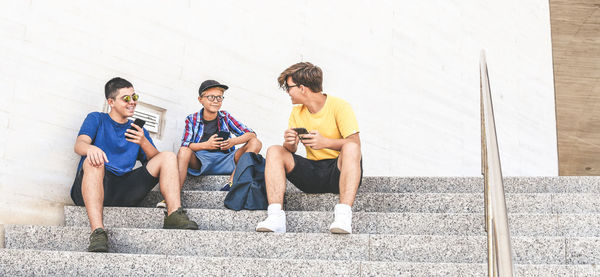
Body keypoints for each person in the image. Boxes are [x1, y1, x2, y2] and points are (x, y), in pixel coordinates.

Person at [71, 77, 198, 253]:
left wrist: (144, 142)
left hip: (123, 190)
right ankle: (98, 232)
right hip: (94, 186)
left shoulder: (138, 130)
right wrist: (91, 149)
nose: (132, 102)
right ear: (111, 102)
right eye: (126, 99)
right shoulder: (96, 119)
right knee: (93, 162)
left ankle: (174, 214)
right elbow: (79, 144)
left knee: (168, 156)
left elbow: (158, 162)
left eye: (134, 97)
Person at [256, 62, 363, 234]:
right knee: (274, 150)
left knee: (351, 148)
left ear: (303, 88)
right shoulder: (297, 112)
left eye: (288, 87)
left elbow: (355, 143)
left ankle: (343, 215)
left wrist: (325, 143)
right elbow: (290, 151)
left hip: (338, 170)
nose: (287, 92)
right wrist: (290, 143)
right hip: (313, 173)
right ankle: (275, 217)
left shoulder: (340, 106)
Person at [174, 80, 261, 197]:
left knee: (256, 142)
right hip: (201, 161)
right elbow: (186, 145)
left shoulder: (225, 116)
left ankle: (231, 183)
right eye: (211, 97)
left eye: (219, 97)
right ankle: (174, 194)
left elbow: (251, 134)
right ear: (200, 100)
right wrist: (206, 145)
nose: (215, 101)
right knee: (184, 151)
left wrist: (233, 141)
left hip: (226, 160)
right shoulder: (192, 119)